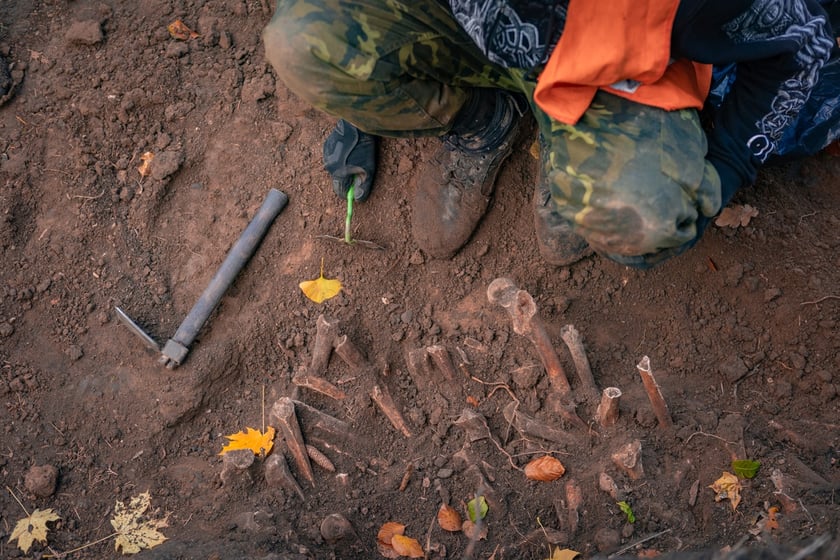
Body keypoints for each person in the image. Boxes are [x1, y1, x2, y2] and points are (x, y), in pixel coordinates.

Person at [262, 0, 840, 268]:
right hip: (471, 28)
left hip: (623, 74)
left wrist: (731, 164)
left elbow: (802, 38)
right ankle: (484, 119)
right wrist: (356, 109)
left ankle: (568, 138)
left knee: (645, 219)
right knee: (304, 43)